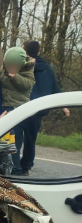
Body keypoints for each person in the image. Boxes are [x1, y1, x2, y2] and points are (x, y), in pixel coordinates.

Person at [15, 40, 70, 175]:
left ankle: (15, 166)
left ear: (25, 51)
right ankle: (26, 167)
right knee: (30, 140)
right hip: (38, 110)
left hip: (21, 107)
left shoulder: (21, 66)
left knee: (16, 139)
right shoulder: (47, 68)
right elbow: (55, 88)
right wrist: (64, 106)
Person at [0, 46, 36, 174]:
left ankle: (16, 169)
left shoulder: (28, 71)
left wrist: (15, 77)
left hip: (18, 109)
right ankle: (4, 166)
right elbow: (1, 79)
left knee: (15, 142)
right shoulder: (3, 69)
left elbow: (27, 85)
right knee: (5, 141)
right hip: (5, 108)